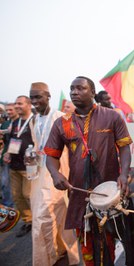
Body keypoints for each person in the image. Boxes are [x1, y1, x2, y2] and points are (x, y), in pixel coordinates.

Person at [45, 76, 134, 266]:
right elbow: (51, 155)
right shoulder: (62, 123)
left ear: (92, 92)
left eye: (80, 88)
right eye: (72, 88)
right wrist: (55, 173)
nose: (74, 92)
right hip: (79, 195)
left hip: (109, 191)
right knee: (88, 245)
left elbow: (124, 147)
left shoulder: (112, 116)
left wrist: (124, 173)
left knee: (112, 241)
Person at [29, 82, 79, 266]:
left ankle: (44, 261)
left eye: (38, 97)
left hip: (58, 175)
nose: (35, 101)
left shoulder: (61, 118)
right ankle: (66, 255)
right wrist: (31, 156)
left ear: (48, 96)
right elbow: (38, 146)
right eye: (32, 97)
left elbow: (74, 148)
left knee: (42, 220)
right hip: (38, 177)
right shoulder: (34, 120)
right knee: (59, 218)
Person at [3, 96, 34, 237]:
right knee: (17, 196)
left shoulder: (35, 120)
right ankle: (28, 221)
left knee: (28, 195)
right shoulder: (16, 122)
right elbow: (15, 139)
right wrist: (8, 153)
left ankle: (40, 218)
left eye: (20, 103)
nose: (17, 106)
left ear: (28, 105)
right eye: (16, 103)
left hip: (29, 166)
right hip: (14, 166)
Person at [0, 103, 18, 207]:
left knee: (7, 183)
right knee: (4, 183)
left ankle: (9, 206)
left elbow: (17, 140)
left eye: (11, 110)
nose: (9, 112)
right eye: (8, 110)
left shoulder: (20, 123)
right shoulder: (6, 123)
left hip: (15, 159)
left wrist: (9, 153)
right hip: (5, 157)